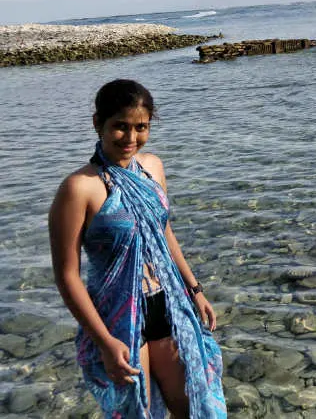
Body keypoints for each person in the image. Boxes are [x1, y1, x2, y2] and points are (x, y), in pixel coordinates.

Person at [49, 79, 226, 418]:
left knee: (191, 403)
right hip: (118, 317)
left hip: (167, 302)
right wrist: (103, 341)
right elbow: (67, 276)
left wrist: (195, 289)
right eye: (120, 127)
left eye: (140, 127)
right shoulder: (79, 189)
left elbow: (164, 232)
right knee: (138, 410)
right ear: (97, 124)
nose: (131, 138)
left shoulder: (152, 168)